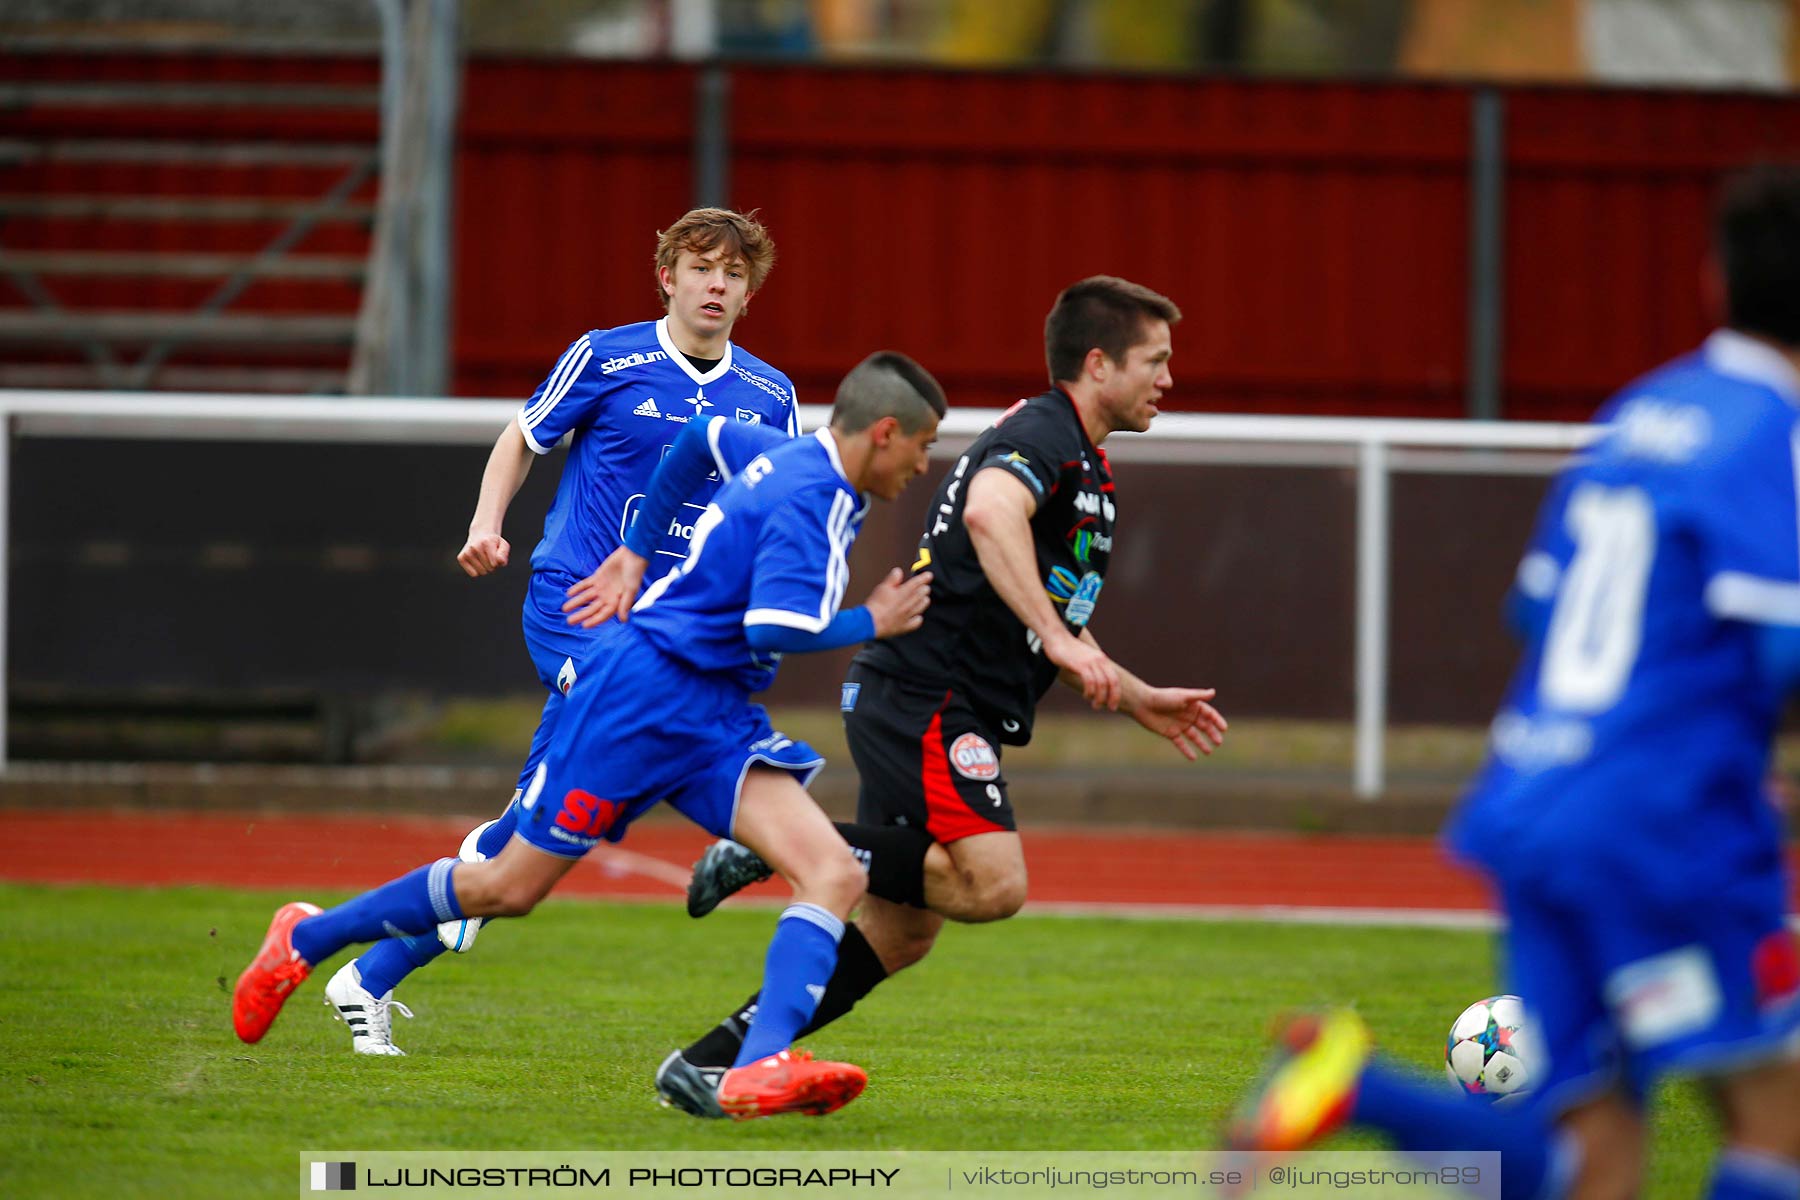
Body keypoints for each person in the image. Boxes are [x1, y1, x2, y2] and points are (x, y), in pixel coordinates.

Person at [1230, 165, 1800, 1200]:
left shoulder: (1641, 412)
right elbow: (1780, 650)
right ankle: (1357, 1088)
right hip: (1662, 822)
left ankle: (1354, 1084)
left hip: (1535, 801)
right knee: (1775, 1119)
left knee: (1596, 1157)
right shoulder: (1778, 434)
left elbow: (1535, 609)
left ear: (1715, 281)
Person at [233, 351, 947, 1119]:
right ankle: (306, 939)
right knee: (505, 887)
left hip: (711, 716)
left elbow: (703, 436)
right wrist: (874, 620)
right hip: (641, 697)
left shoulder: (786, 450)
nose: (924, 462)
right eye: (922, 443)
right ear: (883, 433)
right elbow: (772, 623)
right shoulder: (814, 499)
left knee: (833, 872)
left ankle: (752, 1067)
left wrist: (636, 551)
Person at [649, 276, 1229, 1118]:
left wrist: (1133, 694)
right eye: (1156, 360)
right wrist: (1063, 643)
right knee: (994, 885)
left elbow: (1042, 604)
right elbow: (993, 515)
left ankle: (710, 1068)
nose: (1168, 378)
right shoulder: (1044, 435)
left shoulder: (1082, 457)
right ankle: (789, 846)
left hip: (928, 693)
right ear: (1098, 364)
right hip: (929, 695)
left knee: (902, 931)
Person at [318, 208, 800, 1056]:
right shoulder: (608, 355)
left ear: (750, 290)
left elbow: (771, 509)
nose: (716, 283)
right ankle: (742, 834)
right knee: (653, 758)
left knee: (527, 840)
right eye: (700, 267)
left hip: (672, 633)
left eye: (732, 272)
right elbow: (522, 435)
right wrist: (484, 523)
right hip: (575, 606)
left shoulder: (769, 394)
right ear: (669, 276)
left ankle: (364, 973)